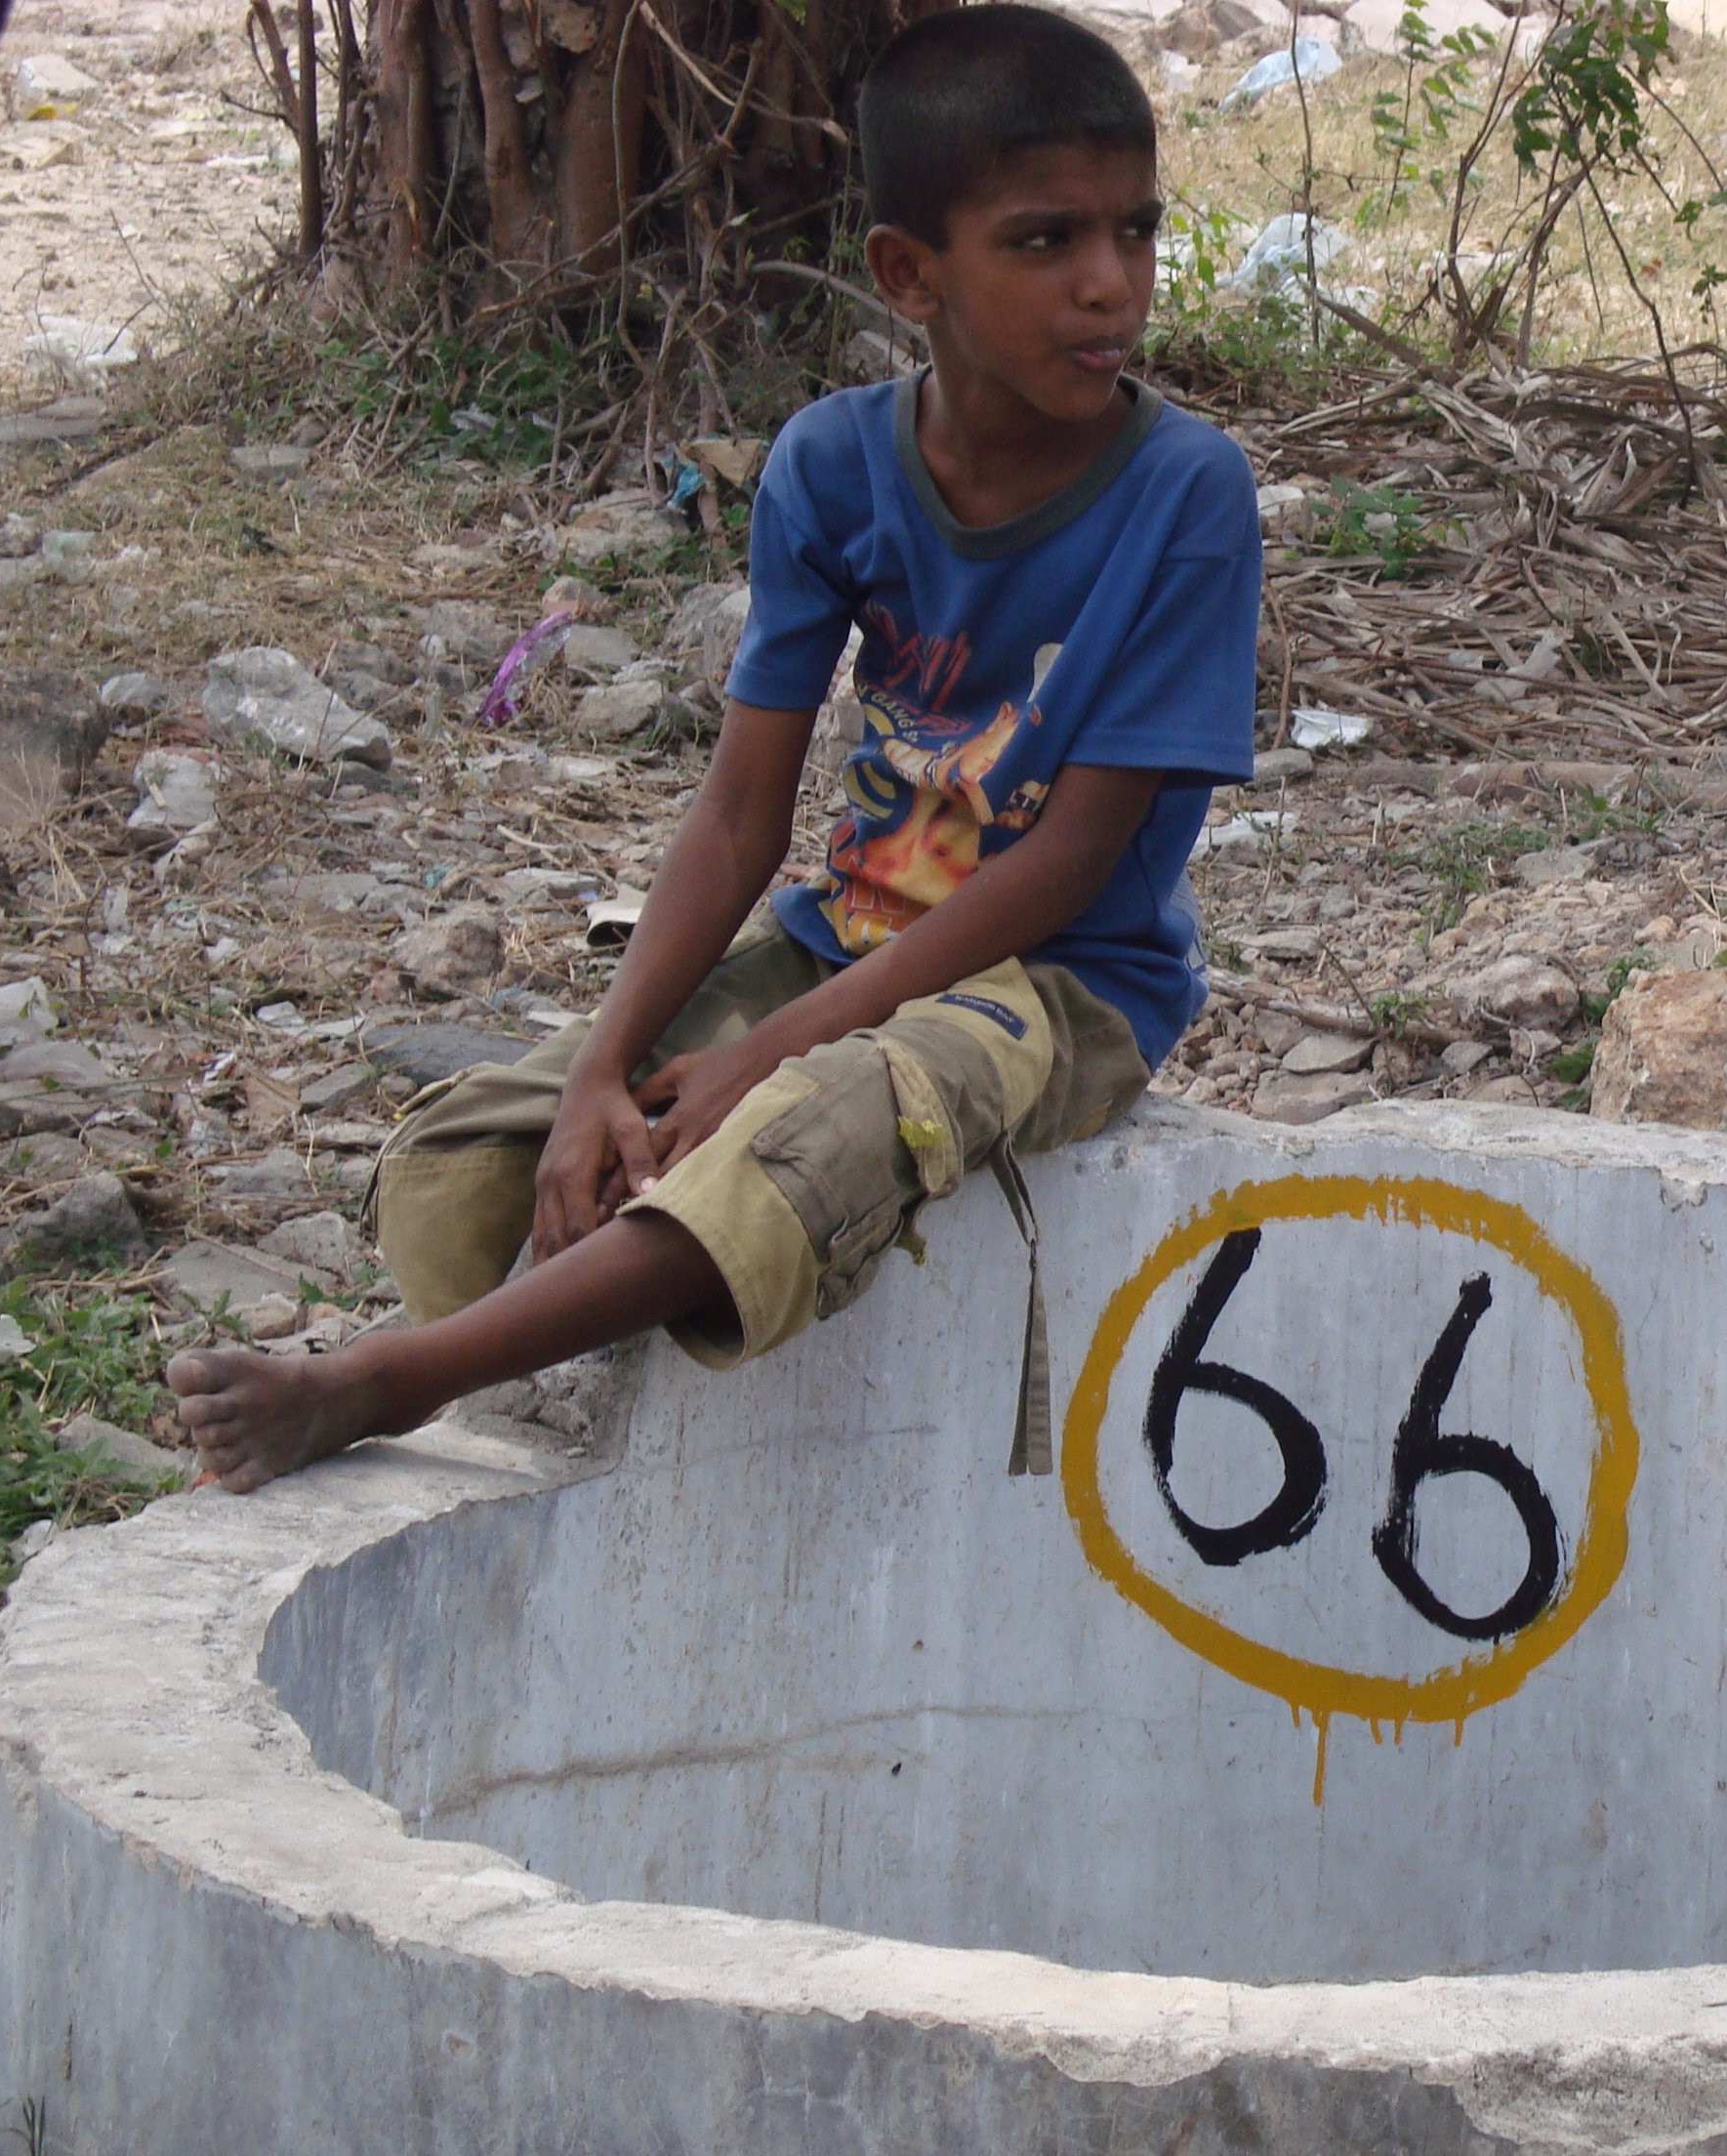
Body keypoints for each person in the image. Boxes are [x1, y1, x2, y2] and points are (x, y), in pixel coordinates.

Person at [170, 3, 1260, 1491]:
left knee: (799, 1136)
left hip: (1061, 985)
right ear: (907, 274)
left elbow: (1071, 864)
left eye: (1135, 233)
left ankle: (389, 1381)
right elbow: (741, 813)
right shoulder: (829, 463)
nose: (1108, 285)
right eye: (1045, 241)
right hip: (842, 937)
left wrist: (769, 1051)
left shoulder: (1183, 494)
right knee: (468, 1156)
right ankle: (584, 1301)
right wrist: (603, 1073)